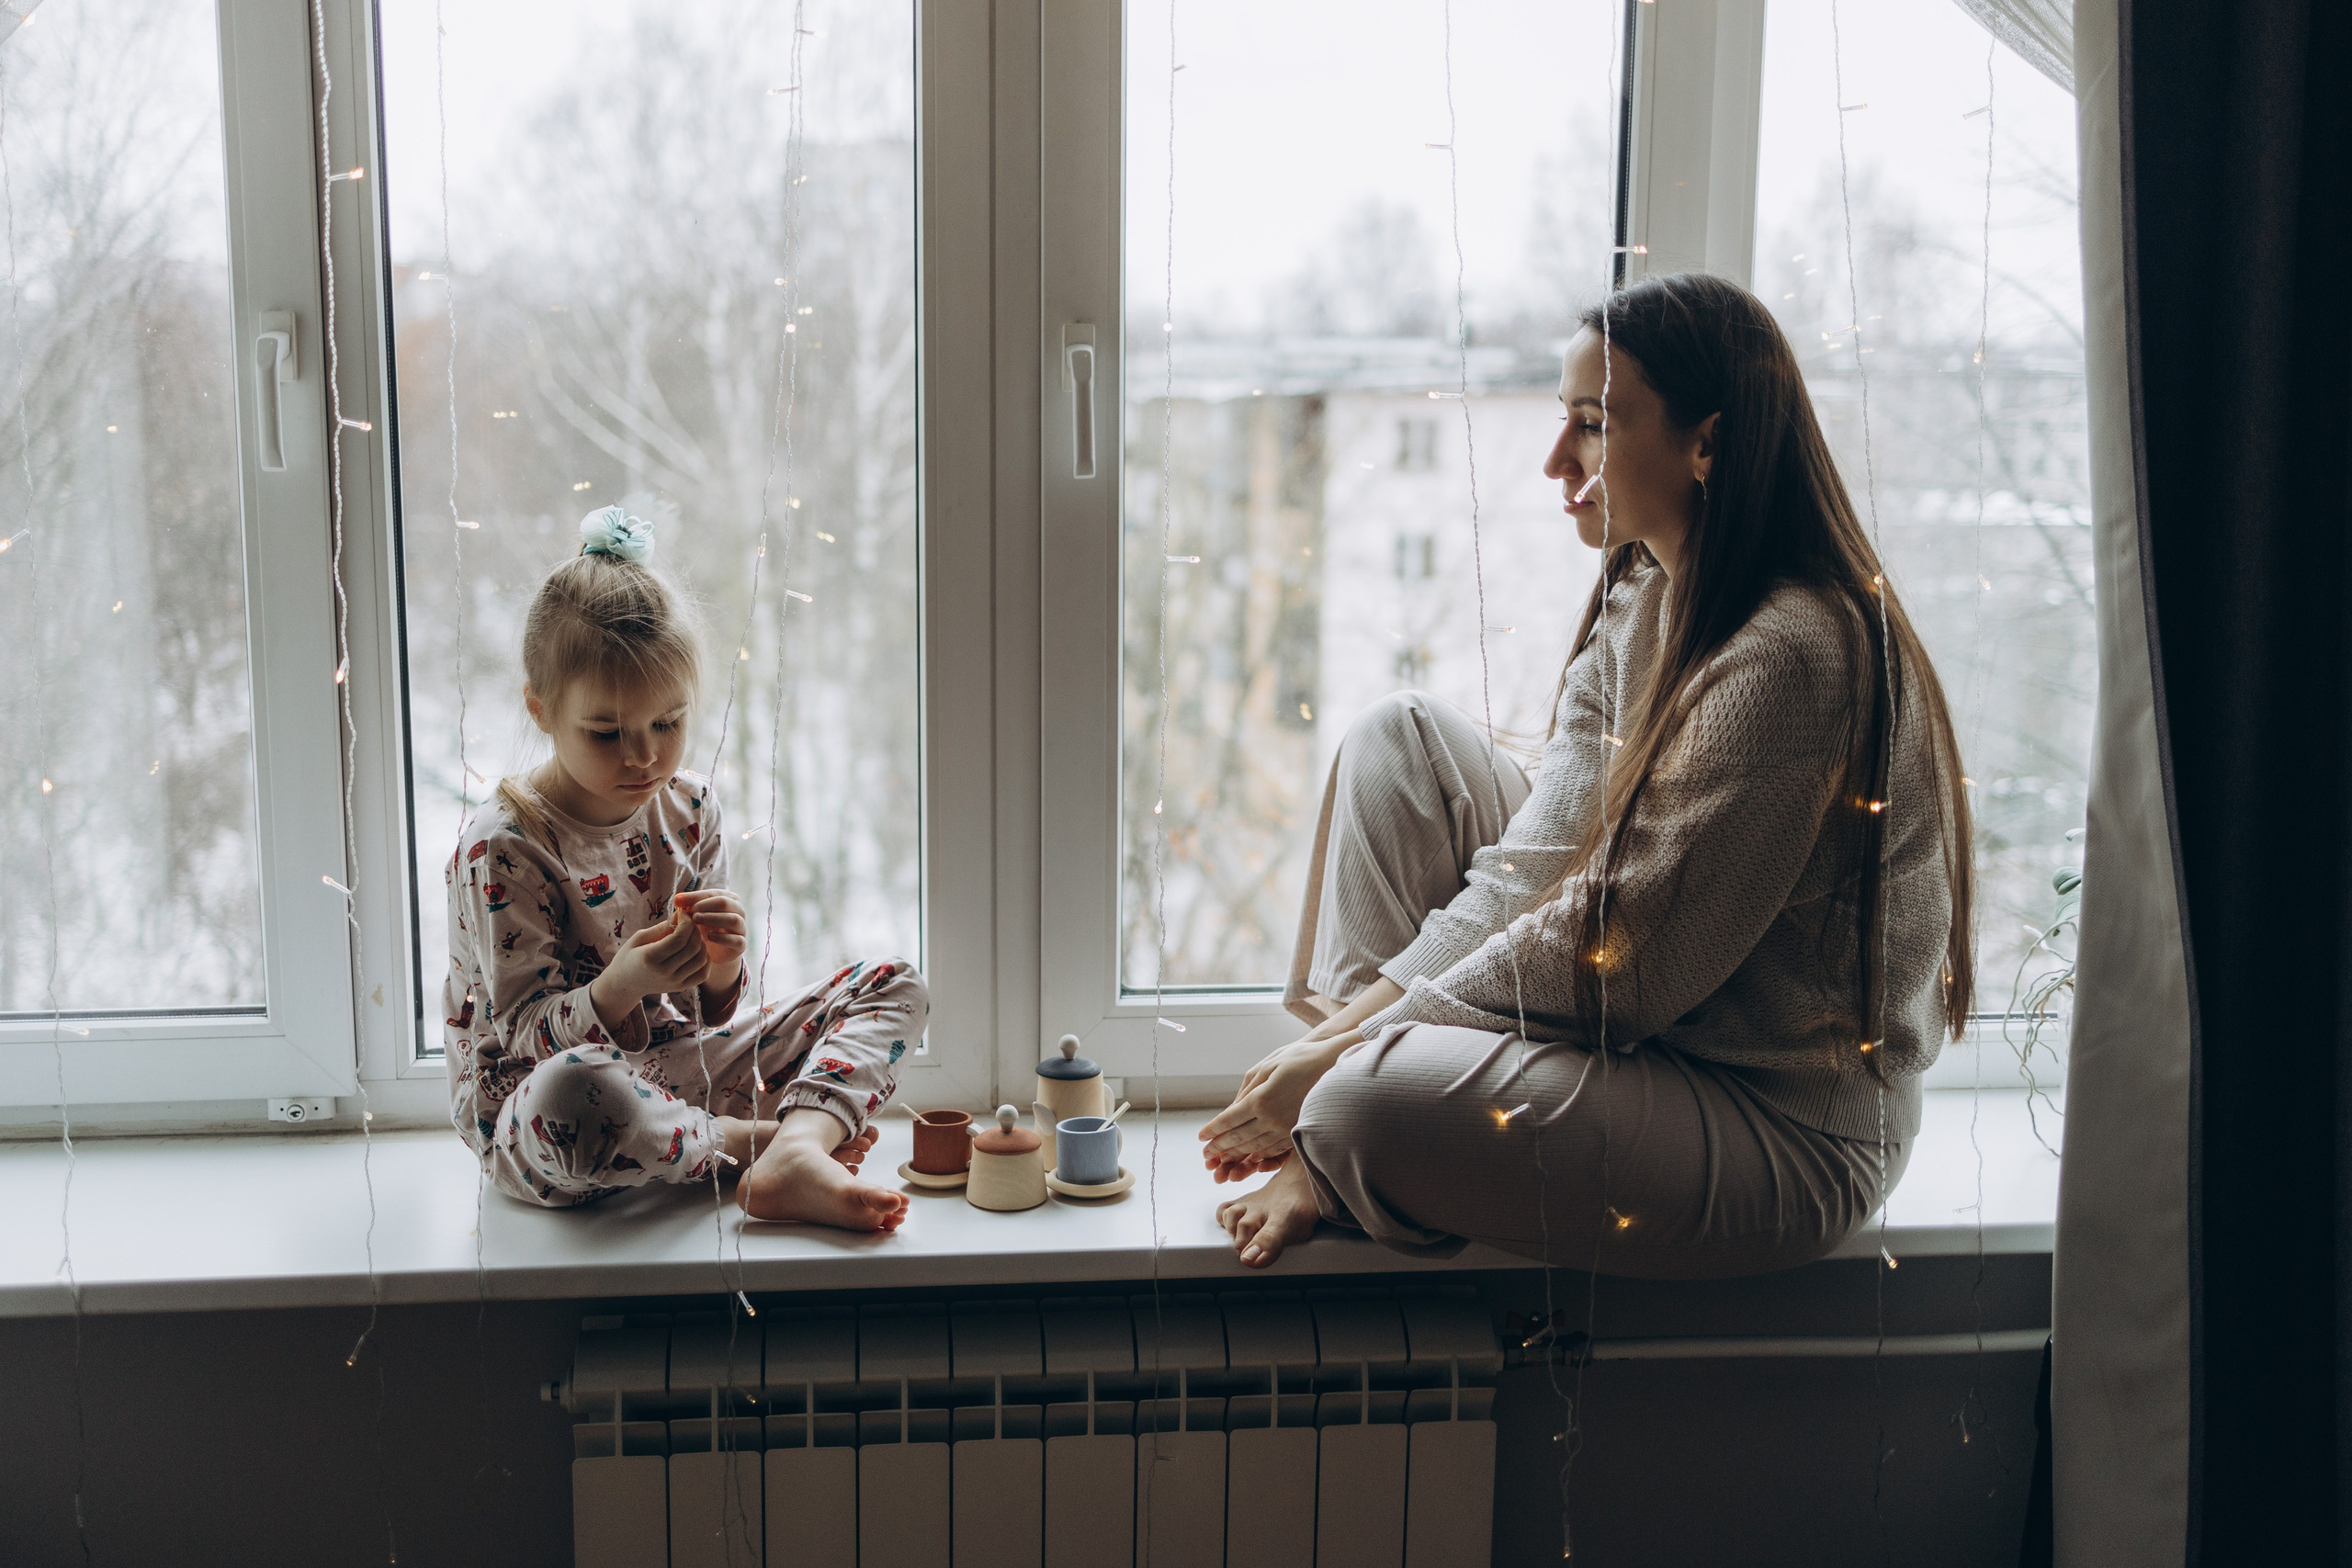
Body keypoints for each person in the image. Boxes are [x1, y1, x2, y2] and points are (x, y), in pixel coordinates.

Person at [1204, 272, 1974, 1278]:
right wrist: (1345, 1035)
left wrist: (1342, 1064)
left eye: (1591, 424)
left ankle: (1350, 1138)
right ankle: (1355, 1121)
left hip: (1781, 1124)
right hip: (1643, 1041)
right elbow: (1538, 867)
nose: (1553, 459)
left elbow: (1616, 958)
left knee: (1363, 1103)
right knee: (1401, 739)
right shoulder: (1647, 589)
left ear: (1706, 441)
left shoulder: (1792, 655)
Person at [443, 505, 923, 1231]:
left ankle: (793, 1150)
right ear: (540, 711)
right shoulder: (505, 848)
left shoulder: (689, 808)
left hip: (676, 1079)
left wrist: (722, 971)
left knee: (896, 982)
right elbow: (518, 1038)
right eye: (607, 732)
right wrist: (619, 987)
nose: (644, 756)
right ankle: (750, 1145)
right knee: (577, 1092)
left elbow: (703, 1019)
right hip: (549, 1116)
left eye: (668, 723)